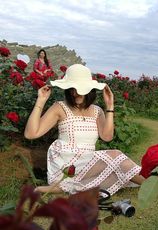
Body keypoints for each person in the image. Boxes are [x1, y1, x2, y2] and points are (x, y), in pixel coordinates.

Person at [24, 64, 146, 195]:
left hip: (88, 163)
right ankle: (151, 184)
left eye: (79, 88)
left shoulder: (97, 111)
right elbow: (31, 134)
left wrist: (110, 105)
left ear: (90, 90)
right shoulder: (60, 107)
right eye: (71, 88)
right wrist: (41, 101)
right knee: (116, 156)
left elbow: (107, 137)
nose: (74, 93)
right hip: (65, 164)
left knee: (116, 171)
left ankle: (64, 188)